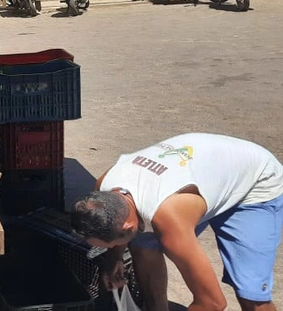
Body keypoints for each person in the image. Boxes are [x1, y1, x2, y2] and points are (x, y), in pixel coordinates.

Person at [70, 133, 283, 311]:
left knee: (251, 291)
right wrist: (113, 259)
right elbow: (124, 234)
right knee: (143, 244)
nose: (114, 249)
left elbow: (213, 302)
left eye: (113, 246)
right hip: (203, 172)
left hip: (254, 183)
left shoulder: (168, 217)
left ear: (128, 226)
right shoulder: (103, 188)